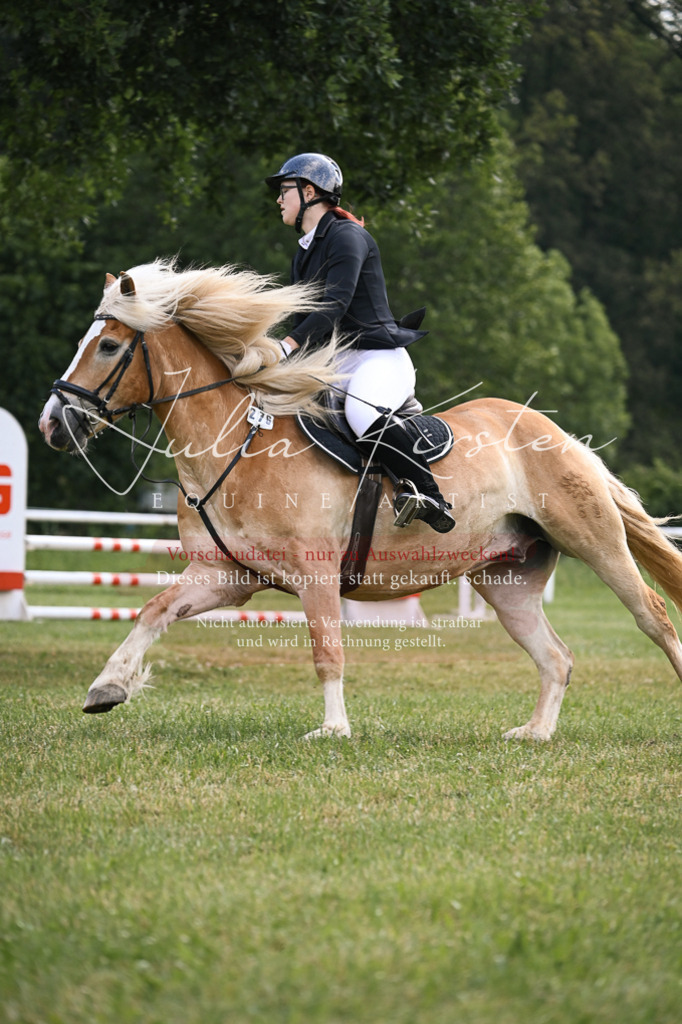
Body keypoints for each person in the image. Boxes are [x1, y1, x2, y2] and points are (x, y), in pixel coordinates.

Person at [265, 152, 455, 534]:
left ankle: (431, 495)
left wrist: (285, 347)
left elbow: (335, 305)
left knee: (361, 415)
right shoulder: (304, 251)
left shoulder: (347, 236)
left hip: (377, 359)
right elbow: (303, 319)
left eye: (284, 190)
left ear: (309, 191)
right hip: (338, 362)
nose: (278, 199)